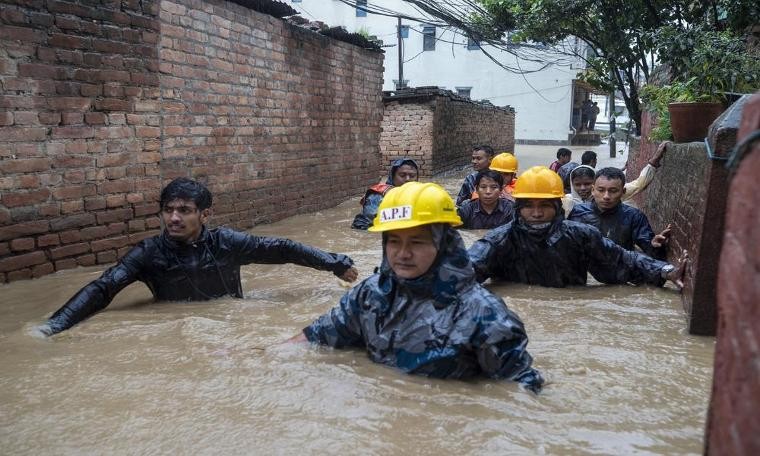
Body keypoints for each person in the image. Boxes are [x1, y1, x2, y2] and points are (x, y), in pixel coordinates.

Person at [291, 182, 544, 393]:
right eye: (393, 242)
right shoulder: (370, 294)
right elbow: (316, 336)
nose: (403, 254)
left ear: (444, 245)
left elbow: (520, 392)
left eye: (417, 242)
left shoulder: (483, 314)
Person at [37, 178, 359, 336]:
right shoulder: (149, 253)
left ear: (204, 214)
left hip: (233, 327)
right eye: (168, 210)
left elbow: (284, 249)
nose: (174, 218)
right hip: (176, 330)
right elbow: (102, 288)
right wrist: (56, 325)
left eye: (184, 211)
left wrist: (336, 263)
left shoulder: (227, 243)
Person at [467, 166, 688, 288]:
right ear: (517, 209)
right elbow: (465, 271)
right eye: (528, 207)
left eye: (544, 205)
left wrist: (666, 271)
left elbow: (622, 259)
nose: (536, 213)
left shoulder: (581, 235)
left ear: (558, 207)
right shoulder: (499, 240)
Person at [568, 167, 671, 259]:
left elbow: (649, 246)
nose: (606, 196)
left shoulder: (634, 216)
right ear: (593, 190)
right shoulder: (578, 211)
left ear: (623, 191)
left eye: (613, 191)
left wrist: (655, 246)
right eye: (601, 190)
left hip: (619, 270)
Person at [351, 158, 419, 230]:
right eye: (402, 175)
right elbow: (360, 226)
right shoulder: (378, 197)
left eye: (412, 176)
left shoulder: (422, 195)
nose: (407, 179)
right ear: (392, 176)